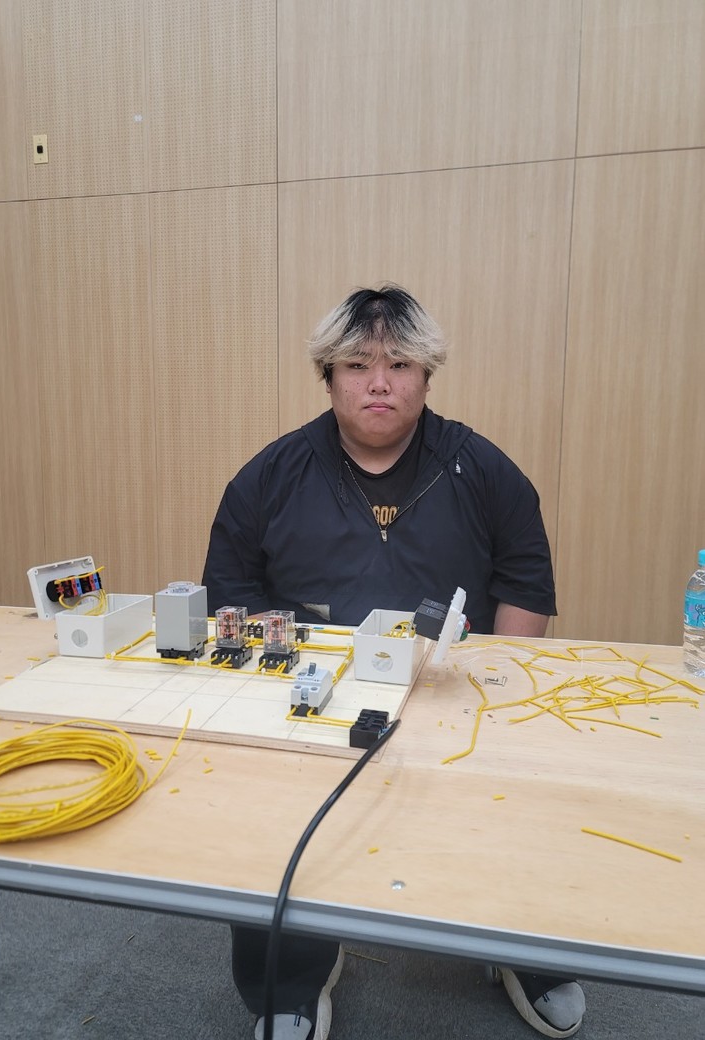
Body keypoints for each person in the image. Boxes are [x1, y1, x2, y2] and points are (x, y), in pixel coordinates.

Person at [202, 284, 585, 1040]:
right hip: (310, 703)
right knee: (265, 806)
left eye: (400, 364)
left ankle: (523, 947)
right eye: (358, 365)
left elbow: (524, 581)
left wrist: (501, 702)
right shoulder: (270, 476)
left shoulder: (482, 468)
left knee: (526, 786)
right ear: (329, 376)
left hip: (455, 697)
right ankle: (292, 977)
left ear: (426, 376)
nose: (379, 382)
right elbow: (231, 597)